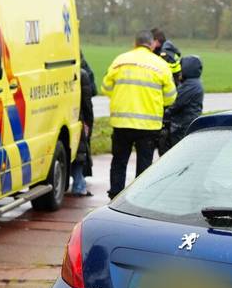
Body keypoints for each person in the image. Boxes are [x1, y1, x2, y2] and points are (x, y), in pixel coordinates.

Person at [102, 30, 177, 198]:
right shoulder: (160, 65)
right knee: (144, 165)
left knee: (119, 161)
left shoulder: (120, 61)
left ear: (134, 43)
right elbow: (171, 97)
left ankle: (115, 196)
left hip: (122, 123)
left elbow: (106, 88)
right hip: (148, 126)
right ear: (152, 45)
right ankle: (139, 197)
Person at [68, 52, 96, 197]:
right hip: (78, 117)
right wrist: (89, 122)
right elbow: (87, 102)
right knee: (79, 152)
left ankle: (78, 184)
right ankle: (79, 185)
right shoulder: (82, 74)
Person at [164, 54, 205, 148]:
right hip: (185, 123)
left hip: (183, 125)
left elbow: (177, 104)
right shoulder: (191, 83)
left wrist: (164, 114)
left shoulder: (191, 85)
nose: (180, 71)